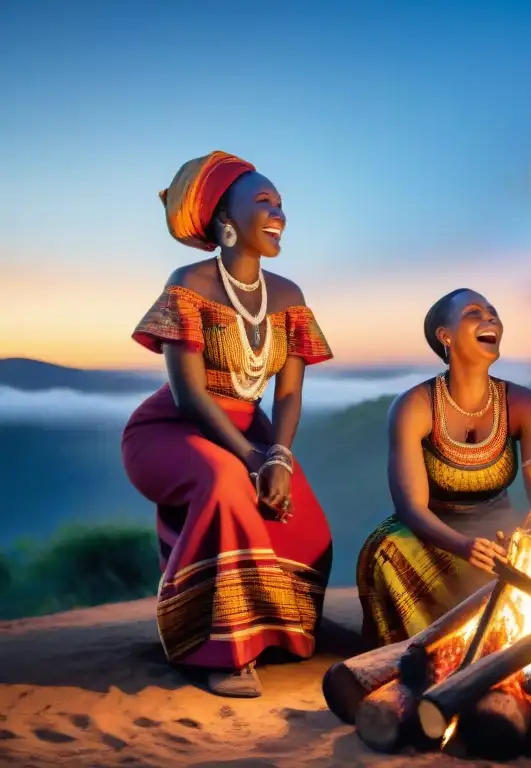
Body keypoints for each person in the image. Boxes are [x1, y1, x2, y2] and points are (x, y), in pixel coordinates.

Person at [121, 151, 335, 698]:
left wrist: (279, 457)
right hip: (172, 430)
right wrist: (249, 457)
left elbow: (288, 392)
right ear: (225, 222)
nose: (279, 212)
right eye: (263, 201)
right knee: (225, 485)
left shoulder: (288, 296)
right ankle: (216, 649)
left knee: (306, 523)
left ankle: (276, 631)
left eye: (281, 202)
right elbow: (190, 394)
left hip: (252, 433)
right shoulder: (187, 284)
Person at [356, 288, 531, 646]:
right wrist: (463, 546)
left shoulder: (526, 404)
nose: (490, 319)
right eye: (474, 313)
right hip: (430, 535)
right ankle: (423, 650)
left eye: (493, 312)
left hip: (497, 530)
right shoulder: (414, 406)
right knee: (387, 551)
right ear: (445, 337)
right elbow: (410, 507)